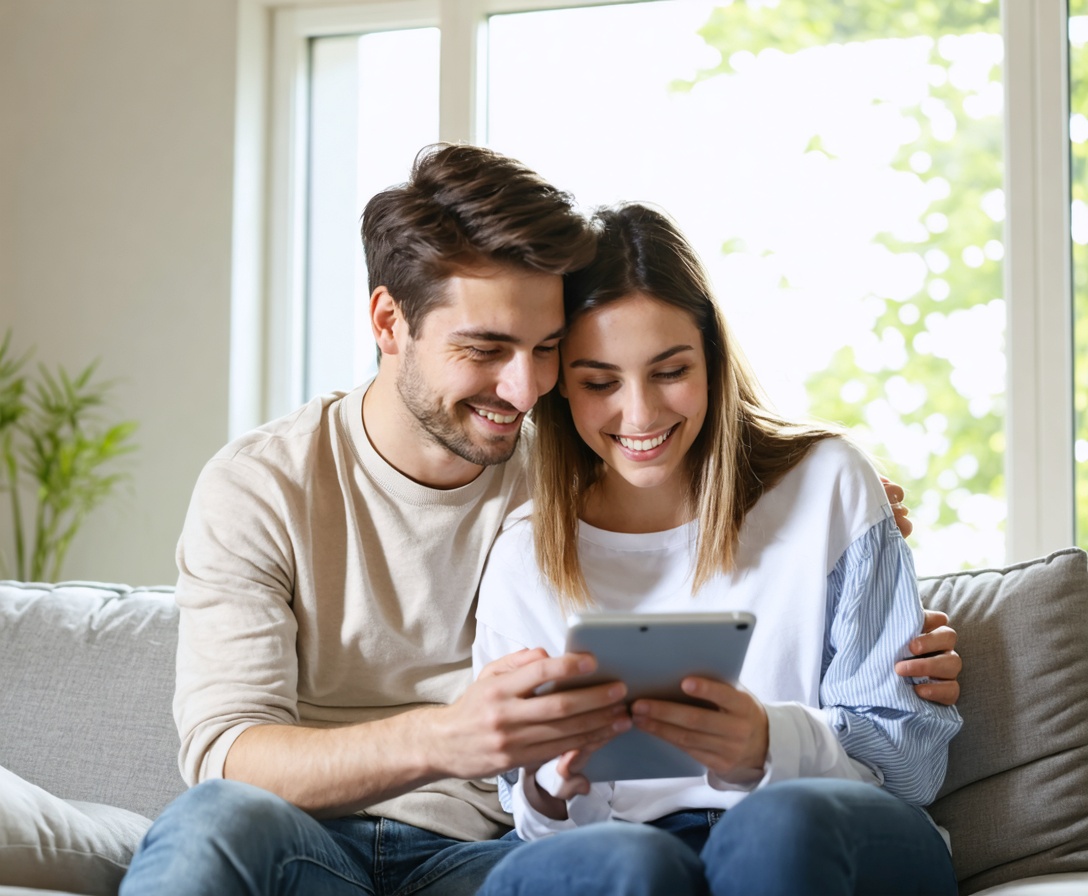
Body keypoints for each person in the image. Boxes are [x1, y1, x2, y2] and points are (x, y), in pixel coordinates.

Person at [121, 145, 960, 895]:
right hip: (310, 844)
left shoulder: (571, 463)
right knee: (210, 826)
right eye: (486, 349)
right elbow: (226, 756)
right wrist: (449, 740)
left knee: (632, 863)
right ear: (389, 322)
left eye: (546, 349)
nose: (525, 393)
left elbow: (706, 468)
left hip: (487, 858)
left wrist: (837, 512)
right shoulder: (263, 487)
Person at [473, 202, 963, 895]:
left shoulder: (828, 484)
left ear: (711, 358)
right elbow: (531, 821)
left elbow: (912, 766)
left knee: (773, 827)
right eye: (600, 382)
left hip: (834, 832)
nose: (639, 414)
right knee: (627, 865)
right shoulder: (527, 554)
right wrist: (553, 783)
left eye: (669, 371)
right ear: (561, 391)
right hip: (643, 849)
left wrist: (771, 742)